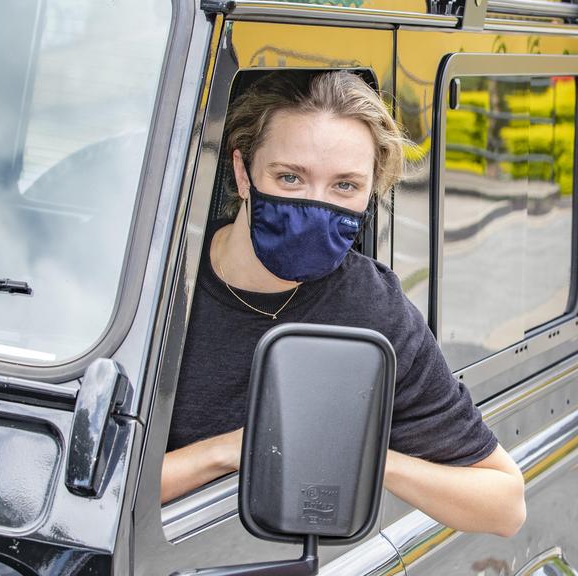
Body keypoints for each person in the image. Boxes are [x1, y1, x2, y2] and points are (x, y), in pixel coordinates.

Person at [161, 71, 526, 537]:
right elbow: (94, 489)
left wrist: (362, 455)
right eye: (290, 178)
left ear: (371, 191)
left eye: (345, 187)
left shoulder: (373, 311)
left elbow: (504, 504)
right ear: (242, 171)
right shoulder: (166, 284)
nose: (315, 204)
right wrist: (229, 451)